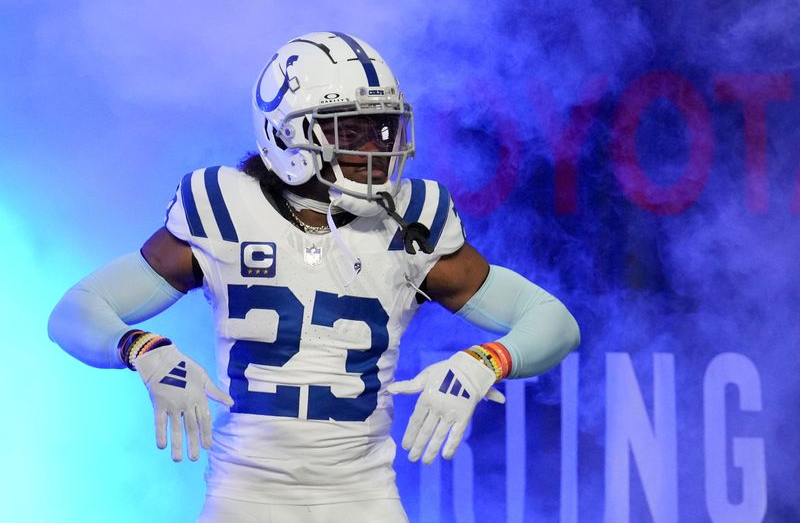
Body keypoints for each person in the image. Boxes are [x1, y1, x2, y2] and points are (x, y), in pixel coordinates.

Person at [48, 31, 580, 523]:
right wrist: (142, 348)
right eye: (348, 130)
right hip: (245, 499)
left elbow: (554, 322)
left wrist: (487, 361)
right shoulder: (222, 205)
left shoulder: (414, 217)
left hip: (364, 499)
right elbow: (75, 310)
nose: (374, 148)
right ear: (282, 134)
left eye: (382, 128)